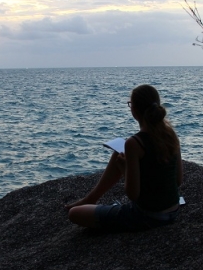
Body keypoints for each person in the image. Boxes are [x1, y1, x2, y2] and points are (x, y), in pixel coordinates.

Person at [66, 84, 183, 230]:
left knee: (74, 214)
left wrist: (125, 168)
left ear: (134, 110)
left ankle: (91, 201)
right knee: (119, 152)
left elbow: (133, 195)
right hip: (174, 210)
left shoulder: (135, 143)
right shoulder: (171, 136)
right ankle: (91, 198)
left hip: (148, 216)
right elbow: (178, 180)